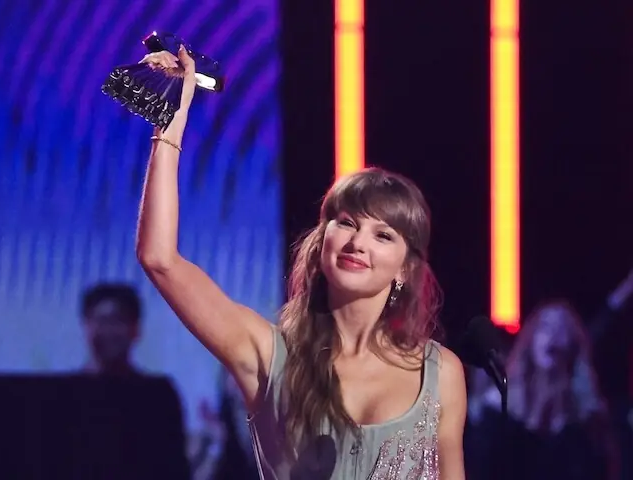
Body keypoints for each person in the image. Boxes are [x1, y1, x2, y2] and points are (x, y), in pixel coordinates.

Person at [135, 46, 467, 479]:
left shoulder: (440, 373)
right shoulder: (267, 355)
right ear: (323, 239)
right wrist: (169, 124)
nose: (357, 243)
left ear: (405, 268)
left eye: (383, 235)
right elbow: (160, 258)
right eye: (347, 223)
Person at [470, 300, 618, 480]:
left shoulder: (587, 421)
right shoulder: (498, 408)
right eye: (546, 327)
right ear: (532, 337)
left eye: (562, 330)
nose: (553, 336)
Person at [71, 283, 192, 479]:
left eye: (118, 321)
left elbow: (174, 466)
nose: (109, 331)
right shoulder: (66, 395)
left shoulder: (158, 396)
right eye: (102, 321)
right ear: (85, 326)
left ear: (136, 329)